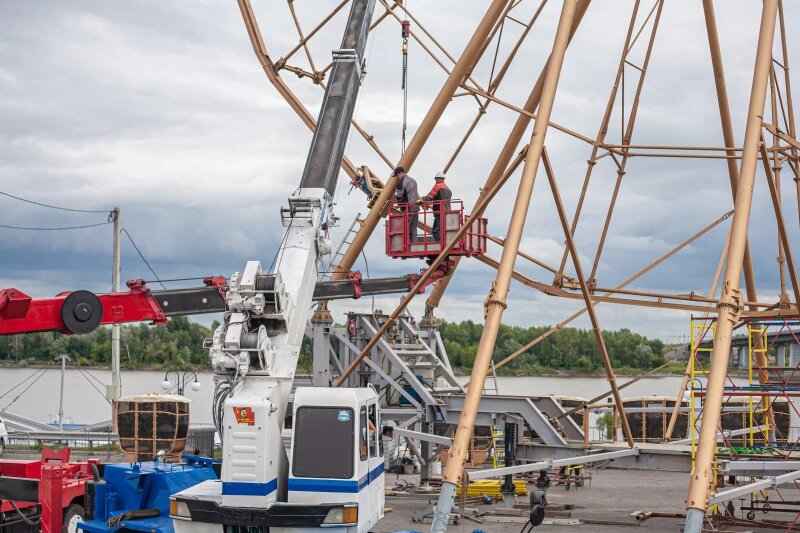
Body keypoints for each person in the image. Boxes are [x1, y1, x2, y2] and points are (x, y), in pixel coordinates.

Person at [420, 171, 452, 241]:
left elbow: (430, 197)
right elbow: (440, 198)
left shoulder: (438, 186)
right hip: (447, 212)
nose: (436, 181)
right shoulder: (448, 189)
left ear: (438, 179)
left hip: (440, 212)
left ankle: (441, 244)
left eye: (436, 179)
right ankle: (445, 243)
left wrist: (423, 198)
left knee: (436, 231)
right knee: (443, 230)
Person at [394, 166, 419, 243]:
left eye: (397, 175)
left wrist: (398, 205)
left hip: (408, 208)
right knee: (413, 228)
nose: (397, 177)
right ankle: (415, 244)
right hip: (416, 207)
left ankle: (406, 245)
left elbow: (399, 197)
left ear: (400, 173)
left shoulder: (401, 183)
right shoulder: (413, 180)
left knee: (405, 228)